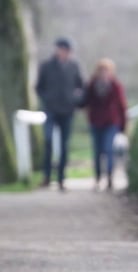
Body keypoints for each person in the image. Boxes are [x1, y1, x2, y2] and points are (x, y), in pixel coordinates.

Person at [36, 37, 84, 191]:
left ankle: (61, 178)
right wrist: (46, 99)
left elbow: (81, 86)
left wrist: (75, 100)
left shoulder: (74, 67)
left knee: (64, 145)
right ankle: (47, 176)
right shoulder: (46, 66)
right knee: (48, 140)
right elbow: (39, 87)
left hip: (67, 110)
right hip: (50, 109)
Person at [83, 58, 127, 191]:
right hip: (96, 122)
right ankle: (97, 178)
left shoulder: (116, 86)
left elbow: (122, 106)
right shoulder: (91, 85)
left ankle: (109, 177)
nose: (104, 73)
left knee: (108, 150)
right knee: (97, 151)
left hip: (111, 122)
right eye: (102, 70)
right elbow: (86, 102)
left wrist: (123, 125)